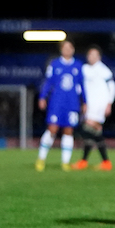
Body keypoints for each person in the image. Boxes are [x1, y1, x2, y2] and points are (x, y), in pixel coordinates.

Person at [35, 39, 85, 171]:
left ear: (73, 49)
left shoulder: (78, 66)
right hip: (57, 102)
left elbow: (82, 86)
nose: (68, 50)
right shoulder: (55, 64)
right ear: (61, 50)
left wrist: (84, 102)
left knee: (68, 131)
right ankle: (41, 159)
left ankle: (65, 162)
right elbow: (48, 83)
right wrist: (42, 97)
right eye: (65, 47)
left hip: (72, 103)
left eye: (70, 47)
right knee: (52, 129)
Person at [74, 45, 115, 171]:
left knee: (87, 128)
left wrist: (109, 103)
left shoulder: (104, 70)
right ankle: (103, 162)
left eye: (94, 55)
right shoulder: (84, 69)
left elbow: (112, 88)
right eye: (90, 54)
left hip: (99, 105)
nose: (91, 57)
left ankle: (86, 161)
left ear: (99, 57)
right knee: (95, 132)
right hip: (88, 104)